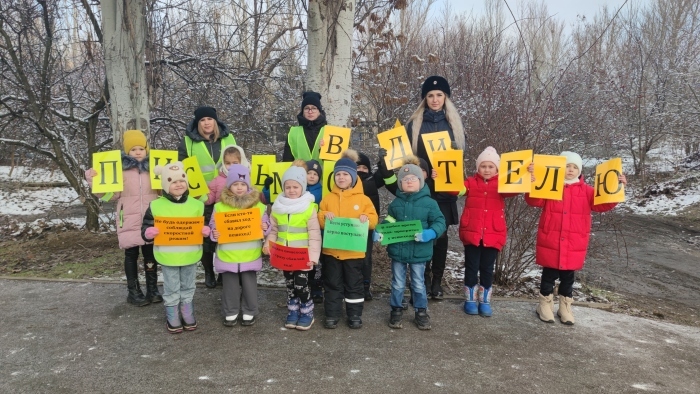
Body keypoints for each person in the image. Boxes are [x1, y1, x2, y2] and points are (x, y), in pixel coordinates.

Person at [525, 151, 627, 325]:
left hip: (574, 242)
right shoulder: (549, 184)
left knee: (568, 276)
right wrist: (532, 180)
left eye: (574, 167)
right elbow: (533, 201)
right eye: (567, 166)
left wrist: (618, 187)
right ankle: (544, 305)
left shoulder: (587, 191)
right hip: (551, 238)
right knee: (548, 274)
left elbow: (604, 204)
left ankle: (565, 307)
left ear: (579, 170)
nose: (570, 170)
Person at [405, 76, 466, 300]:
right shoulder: (413, 125)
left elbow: (459, 159)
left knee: (440, 235)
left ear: (445, 97)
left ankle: (437, 281)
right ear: (425, 98)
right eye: (430, 95)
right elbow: (407, 158)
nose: (435, 99)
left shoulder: (455, 125)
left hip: (444, 189)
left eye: (439, 95)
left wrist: (446, 172)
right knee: (420, 233)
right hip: (421, 188)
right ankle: (423, 278)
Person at [85, 130, 161, 306]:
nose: (137, 151)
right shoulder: (119, 169)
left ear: (146, 149)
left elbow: (164, 190)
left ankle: (153, 289)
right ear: (127, 151)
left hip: (151, 219)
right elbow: (109, 196)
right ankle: (133, 291)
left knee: (151, 254)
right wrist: (94, 182)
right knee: (131, 254)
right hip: (128, 218)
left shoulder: (155, 169)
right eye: (133, 148)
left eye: (141, 148)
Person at [374, 156, 446, 330]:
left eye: (413, 179)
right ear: (400, 184)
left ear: (421, 181)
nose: (409, 182)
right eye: (405, 180)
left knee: (418, 283)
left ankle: (421, 311)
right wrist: (380, 230)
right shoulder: (395, 204)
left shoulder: (430, 203)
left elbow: (440, 221)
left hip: (419, 252)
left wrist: (430, 233)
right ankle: (396, 309)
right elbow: (390, 221)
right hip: (398, 251)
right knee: (397, 283)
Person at [141, 162, 209, 333]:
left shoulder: (197, 205)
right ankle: (172, 313)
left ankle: (187, 312)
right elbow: (145, 226)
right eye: (172, 181)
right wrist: (148, 233)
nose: (178, 184)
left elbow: (204, 225)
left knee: (188, 285)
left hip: (190, 254)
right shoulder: (156, 205)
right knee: (172, 286)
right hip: (168, 255)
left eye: (181, 180)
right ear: (165, 184)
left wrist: (206, 231)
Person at [178, 106, 236, 288]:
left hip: (227, 195)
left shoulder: (228, 138)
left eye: (209, 119)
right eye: (202, 120)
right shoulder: (188, 142)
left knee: (224, 234)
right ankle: (208, 272)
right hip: (200, 196)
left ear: (215, 121)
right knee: (205, 236)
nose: (206, 123)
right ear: (198, 123)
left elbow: (238, 161)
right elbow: (182, 167)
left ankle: (222, 270)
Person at [318, 155, 378, 329]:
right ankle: (332, 314)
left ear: (353, 177)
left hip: (354, 252)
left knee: (354, 284)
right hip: (332, 251)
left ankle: (354, 314)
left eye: (345, 174)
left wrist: (366, 218)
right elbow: (319, 217)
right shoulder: (328, 198)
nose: (341, 177)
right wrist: (324, 216)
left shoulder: (363, 199)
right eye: (338, 174)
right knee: (332, 283)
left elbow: (374, 220)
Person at [458, 147, 519, 317]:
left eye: (490, 166)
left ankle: (485, 300)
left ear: (497, 169)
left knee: (487, 268)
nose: (486, 169)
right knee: (471, 267)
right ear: (477, 168)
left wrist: (528, 176)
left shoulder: (502, 184)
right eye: (483, 166)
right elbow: (455, 189)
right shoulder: (470, 183)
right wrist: (440, 176)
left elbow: (516, 188)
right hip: (472, 232)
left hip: (493, 233)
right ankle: (470, 299)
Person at [209, 164, 269, 327]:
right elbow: (213, 226)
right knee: (230, 286)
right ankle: (231, 311)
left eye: (243, 184)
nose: (239, 187)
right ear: (229, 186)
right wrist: (214, 233)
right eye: (235, 184)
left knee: (250, 285)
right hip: (228, 255)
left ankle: (250, 310)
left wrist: (265, 228)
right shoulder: (219, 206)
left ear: (248, 185)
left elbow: (267, 224)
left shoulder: (258, 206)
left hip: (249, 254)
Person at [264, 166, 322, 330]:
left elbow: (314, 235)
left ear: (302, 187)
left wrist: (313, 256)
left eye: (295, 187)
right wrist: (268, 244)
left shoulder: (308, 208)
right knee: (289, 284)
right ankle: (293, 311)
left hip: (302, 256)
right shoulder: (277, 207)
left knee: (301, 284)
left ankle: (307, 311)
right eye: (288, 187)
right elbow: (274, 231)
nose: (291, 190)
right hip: (284, 255)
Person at [346, 149, 397, 301]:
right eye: (357, 168)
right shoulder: (346, 181)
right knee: (348, 257)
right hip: (348, 226)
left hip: (366, 225)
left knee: (366, 258)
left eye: (364, 168)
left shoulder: (372, 180)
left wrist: (383, 161)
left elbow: (386, 174)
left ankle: (365, 287)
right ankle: (349, 286)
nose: (361, 171)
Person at [281, 91, 327, 162]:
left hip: (325, 172)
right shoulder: (293, 132)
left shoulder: (329, 132)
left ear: (319, 111)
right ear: (303, 112)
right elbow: (287, 161)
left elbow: (335, 162)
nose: (310, 112)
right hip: (299, 172)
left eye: (314, 108)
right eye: (306, 108)